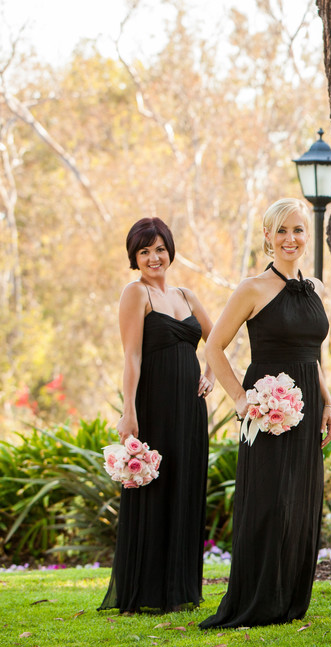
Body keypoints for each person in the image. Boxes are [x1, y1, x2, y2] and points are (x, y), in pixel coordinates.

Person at [199, 199, 331, 629]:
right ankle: (258, 599)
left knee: (300, 502)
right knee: (269, 504)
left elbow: (314, 356)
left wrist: (328, 402)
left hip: (307, 405)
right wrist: (242, 400)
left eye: (298, 230)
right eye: (282, 231)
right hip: (268, 409)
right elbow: (214, 347)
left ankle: (290, 600)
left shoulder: (313, 286)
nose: (292, 238)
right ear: (267, 237)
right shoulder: (252, 288)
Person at [99, 217, 214, 614]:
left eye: (159, 248)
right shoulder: (136, 294)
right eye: (144, 251)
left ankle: (180, 588)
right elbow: (131, 356)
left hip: (190, 410)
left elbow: (216, 339)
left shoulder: (187, 295)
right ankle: (147, 591)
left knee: (186, 487)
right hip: (154, 406)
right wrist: (128, 410)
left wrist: (211, 374)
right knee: (156, 491)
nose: (153, 257)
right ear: (134, 257)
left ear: (170, 250)